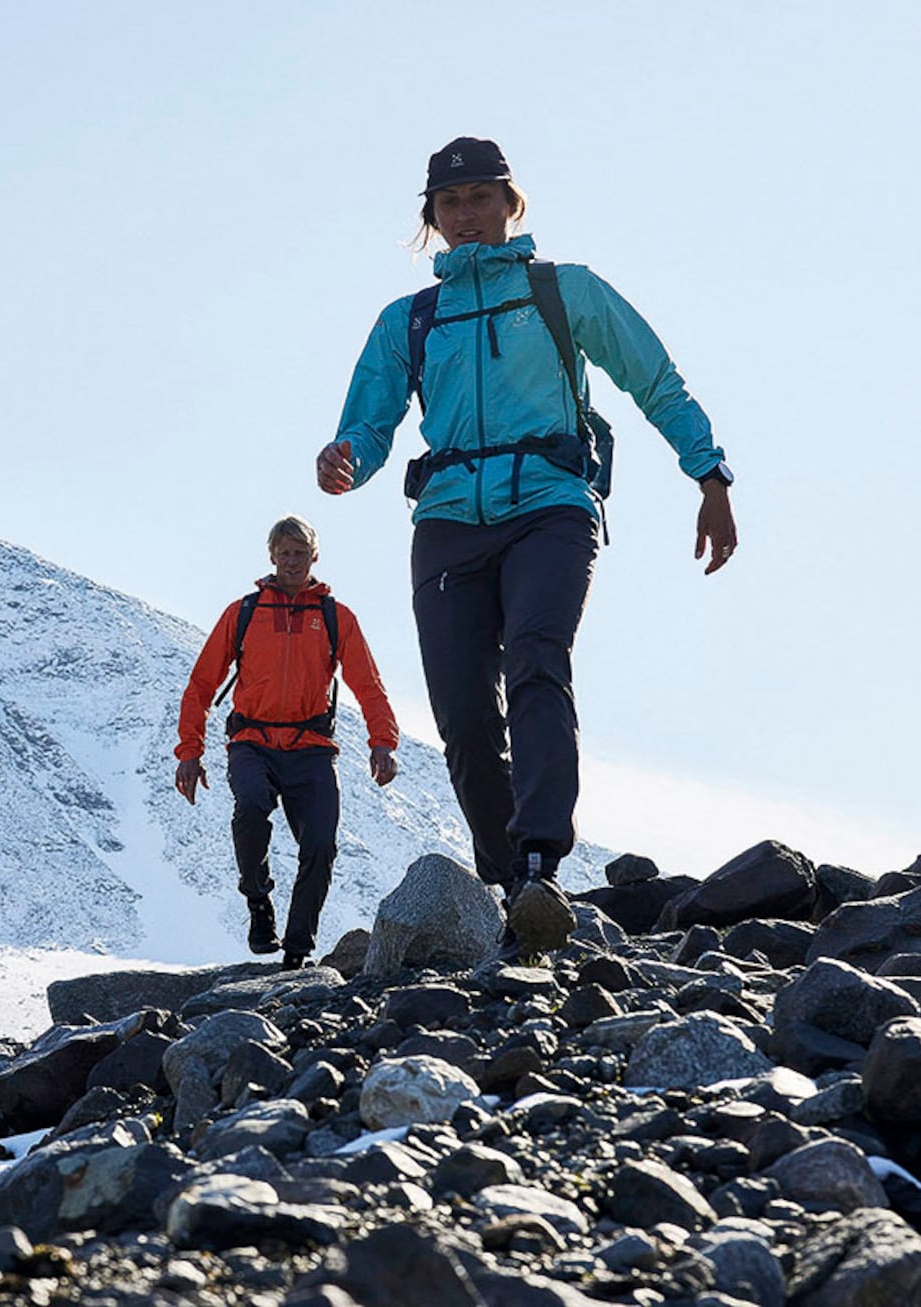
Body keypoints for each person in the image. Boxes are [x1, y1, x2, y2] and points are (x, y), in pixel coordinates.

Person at [318, 136, 737, 961]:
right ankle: (510, 884)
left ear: (513, 203)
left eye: (481, 197)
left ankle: (542, 861)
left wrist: (709, 472)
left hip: (551, 506)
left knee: (538, 659)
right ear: (431, 218)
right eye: (449, 202)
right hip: (447, 520)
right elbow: (367, 424)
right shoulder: (410, 319)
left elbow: (654, 376)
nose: (466, 214)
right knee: (464, 715)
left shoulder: (564, 291)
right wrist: (346, 461)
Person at [175, 516, 400, 969]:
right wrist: (190, 752)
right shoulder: (244, 613)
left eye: (300, 554)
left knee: (320, 844)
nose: (292, 562)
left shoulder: (335, 617)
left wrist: (383, 741)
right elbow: (201, 684)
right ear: (272, 556)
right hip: (251, 741)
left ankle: (296, 951)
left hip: (311, 747)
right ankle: (258, 902)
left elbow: (368, 684)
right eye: (284, 554)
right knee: (251, 804)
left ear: (314, 557)